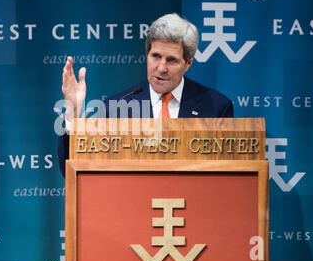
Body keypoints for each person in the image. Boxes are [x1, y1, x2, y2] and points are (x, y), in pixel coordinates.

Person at [57, 13, 233, 176]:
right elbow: (73, 172)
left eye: (171, 60)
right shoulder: (117, 107)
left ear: (188, 63)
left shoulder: (216, 107)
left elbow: (229, 177)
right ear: (147, 55)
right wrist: (72, 112)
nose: (161, 68)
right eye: (156, 56)